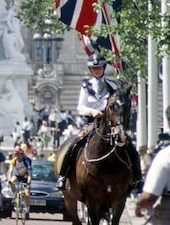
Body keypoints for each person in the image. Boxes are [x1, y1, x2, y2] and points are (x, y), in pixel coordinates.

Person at [56, 53, 142, 192]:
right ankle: (63, 176)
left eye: (99, 67)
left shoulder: (113, 85)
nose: (97, 70)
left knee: (129, 146)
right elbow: (80, 107)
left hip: (111, 123)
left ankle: (137, 178)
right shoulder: (86, 86)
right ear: (91, 70)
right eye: (94, 68)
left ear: (103, 68)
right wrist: (92, 112)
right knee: (73, 144)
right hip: (92, 123)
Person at [7, 146, 32, 217]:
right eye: (16, 155)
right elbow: (10, 171)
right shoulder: (14, 161)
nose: (18, 156)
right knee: (11, 182)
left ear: (22, 154)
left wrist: (29, 181)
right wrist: (9, 179)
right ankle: (15, 195)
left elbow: (30, 173)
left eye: (19, 154)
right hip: (18, 175)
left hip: (26, 176)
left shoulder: (26, 161)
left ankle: (27, 210)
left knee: (27, 194)